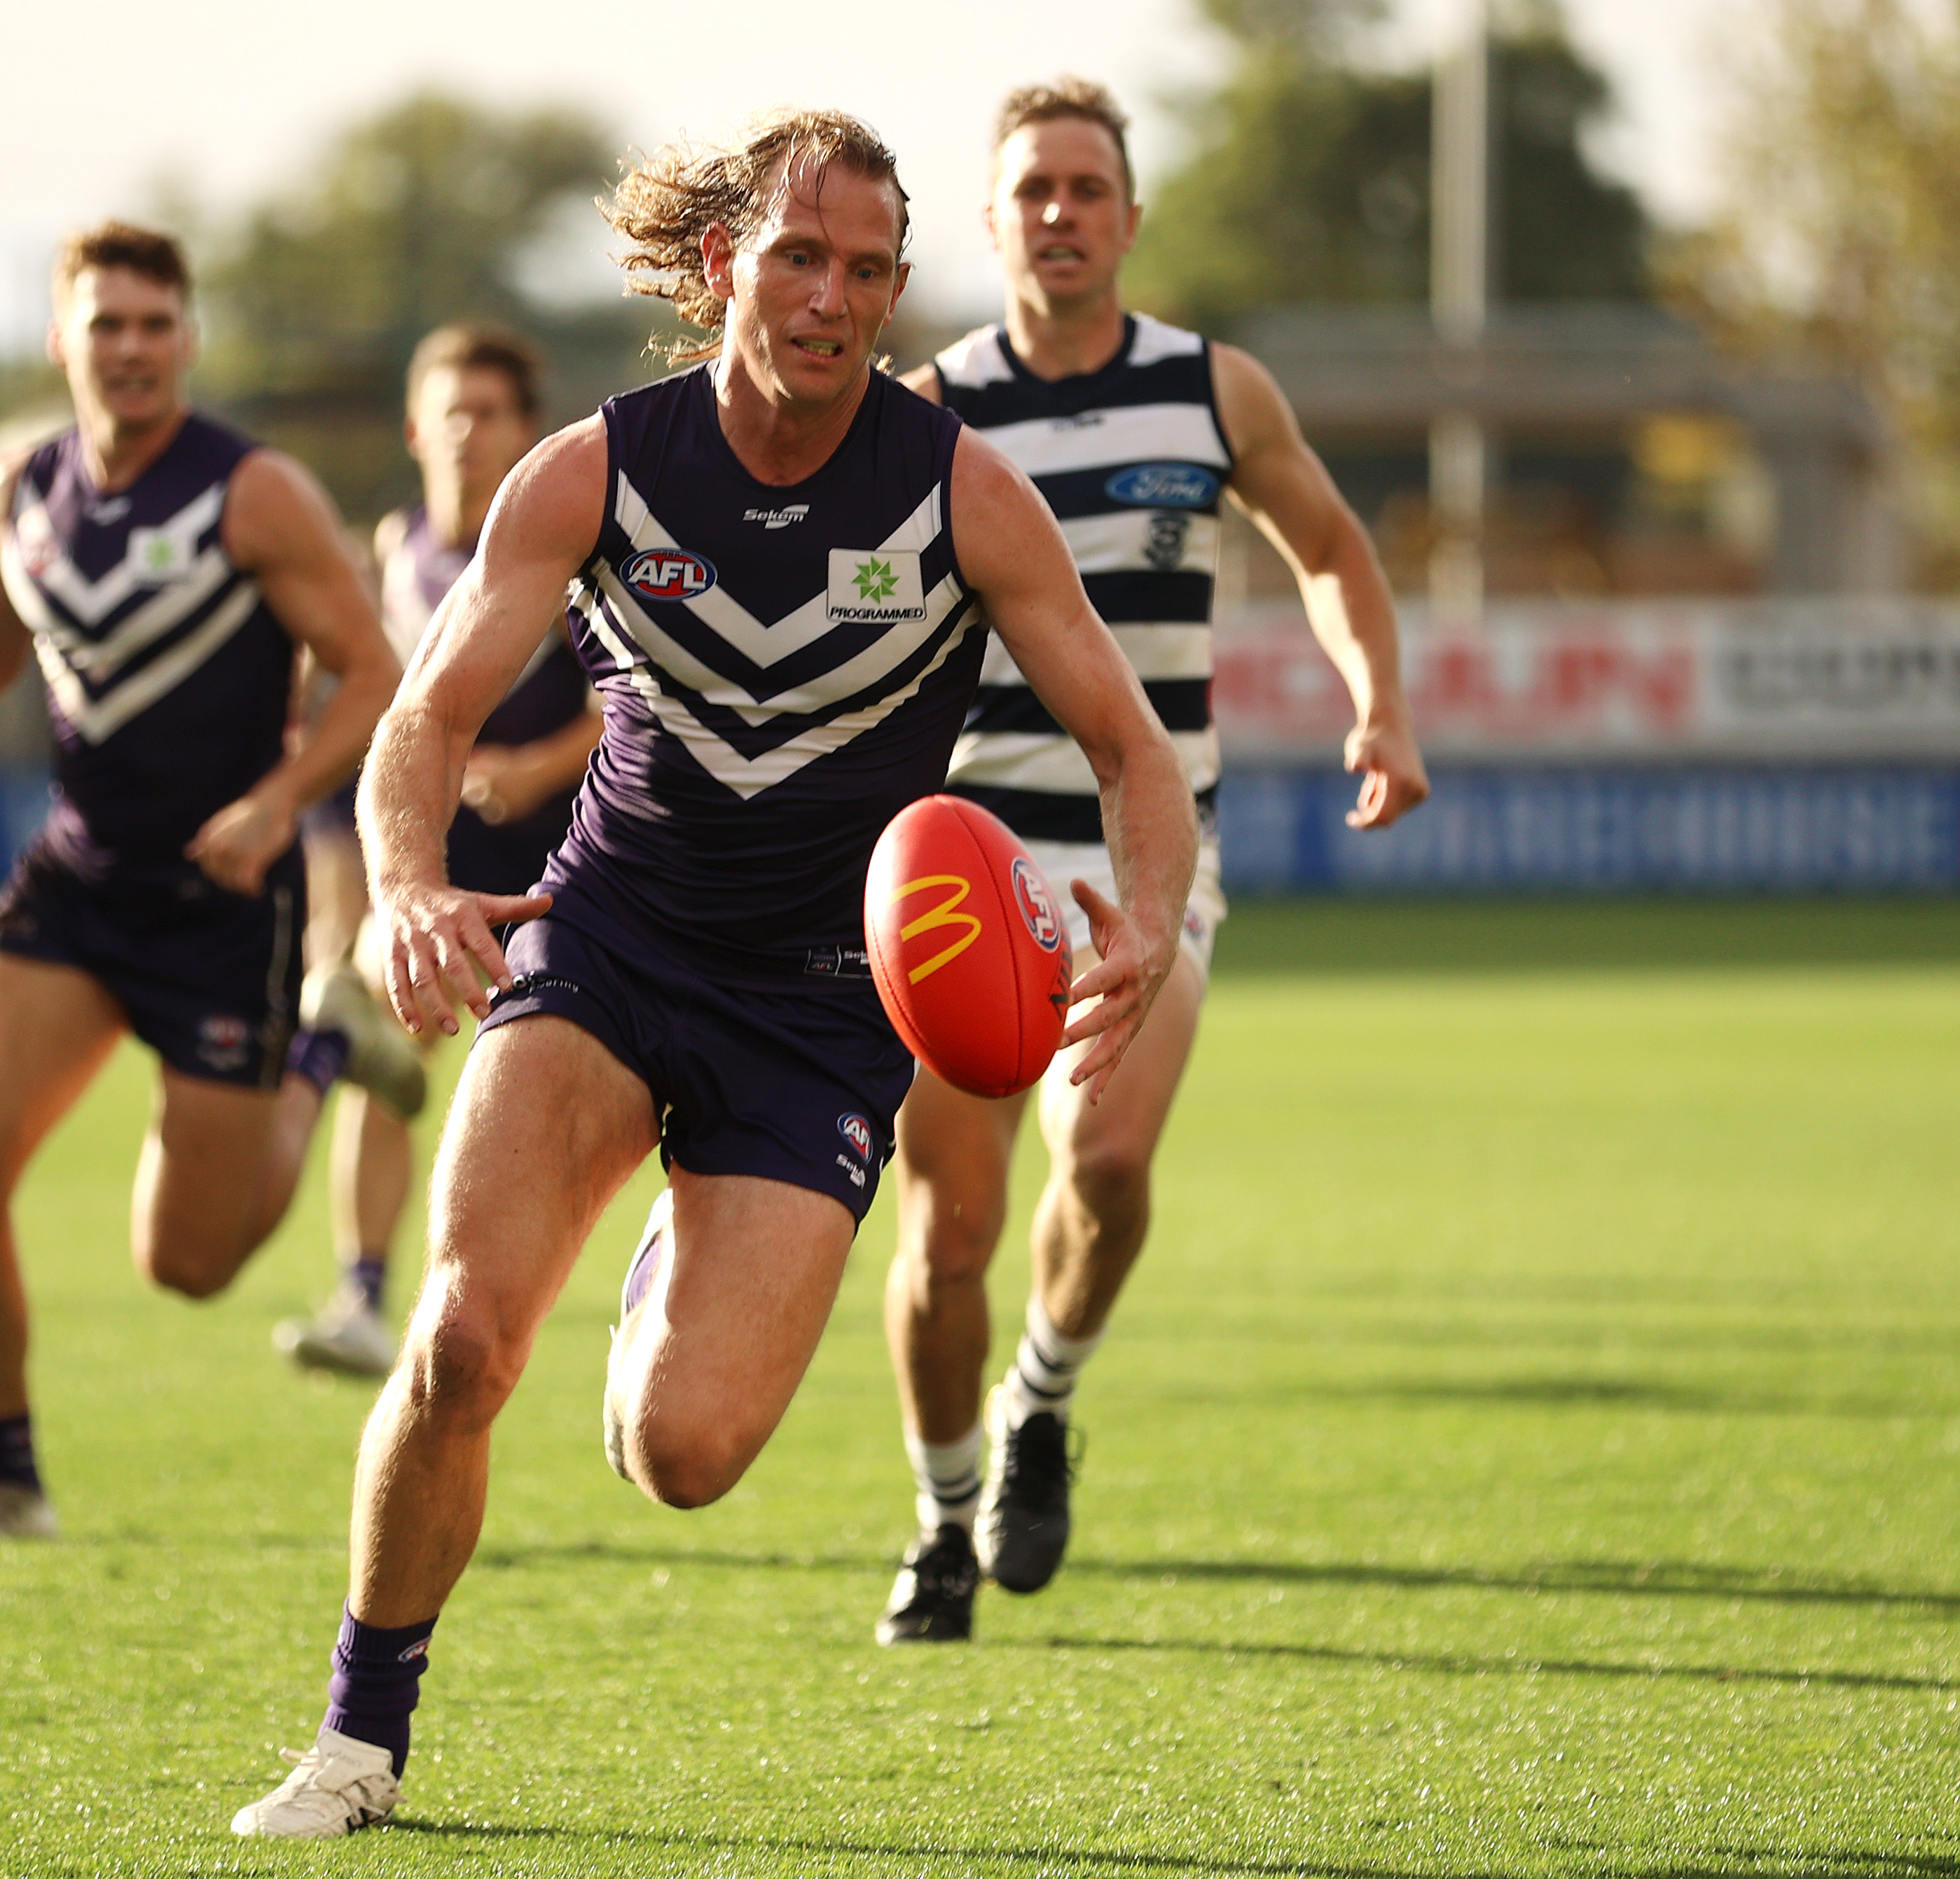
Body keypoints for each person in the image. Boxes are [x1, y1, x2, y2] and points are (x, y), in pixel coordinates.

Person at [231, 109, 1196, 1839]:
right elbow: (424, 724)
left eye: (868, 269)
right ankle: (356, 1743)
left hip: (823, 1009)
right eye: (798, 256)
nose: (831, 297)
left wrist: (1136, 917)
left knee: (682, 1460)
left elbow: (1130, 750)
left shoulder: (961, 488)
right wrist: (401, 885)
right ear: (716, 268)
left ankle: (680, 1213)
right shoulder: (596, 468)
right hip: (606, 944)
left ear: (897, 292)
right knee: (459, 1337)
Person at [873, 79, 1431, 1645]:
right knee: (949, 1230)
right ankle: (939, 1517)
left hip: (1144, 847)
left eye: (1084, 188)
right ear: (992, 223)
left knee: (1106, 1167)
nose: (1057, 212)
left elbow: (1328, 548)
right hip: (965, 866)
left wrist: (1378, 705)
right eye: (1030, 189)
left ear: (1127, 217)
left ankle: (1041, 1398)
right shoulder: (929, 411)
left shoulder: (1211, 391)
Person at [0, 221, 415, 1541]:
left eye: (155, 326)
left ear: (187, 341)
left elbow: (375, 671)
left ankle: (320, 1045)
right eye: (104, 324)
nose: (130, 349)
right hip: (76, 886)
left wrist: (277, 801)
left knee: (188, 1264)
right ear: (62, 338)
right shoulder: (16, 494)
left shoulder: (255, 493)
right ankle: (9, 1483)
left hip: (226, 907)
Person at [277, 323, 602, 1378]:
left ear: (526, 431)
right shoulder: (393, 547)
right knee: (376, 1038)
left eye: (491, 415)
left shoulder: (564, 553)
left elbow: (623, 710)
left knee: (569, 1114)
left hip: (561, 884)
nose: (469, 435)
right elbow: (371, 698)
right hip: (438, 880)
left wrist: (532, 772)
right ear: (417, 428)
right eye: (450, 414)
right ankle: (365, 1298)